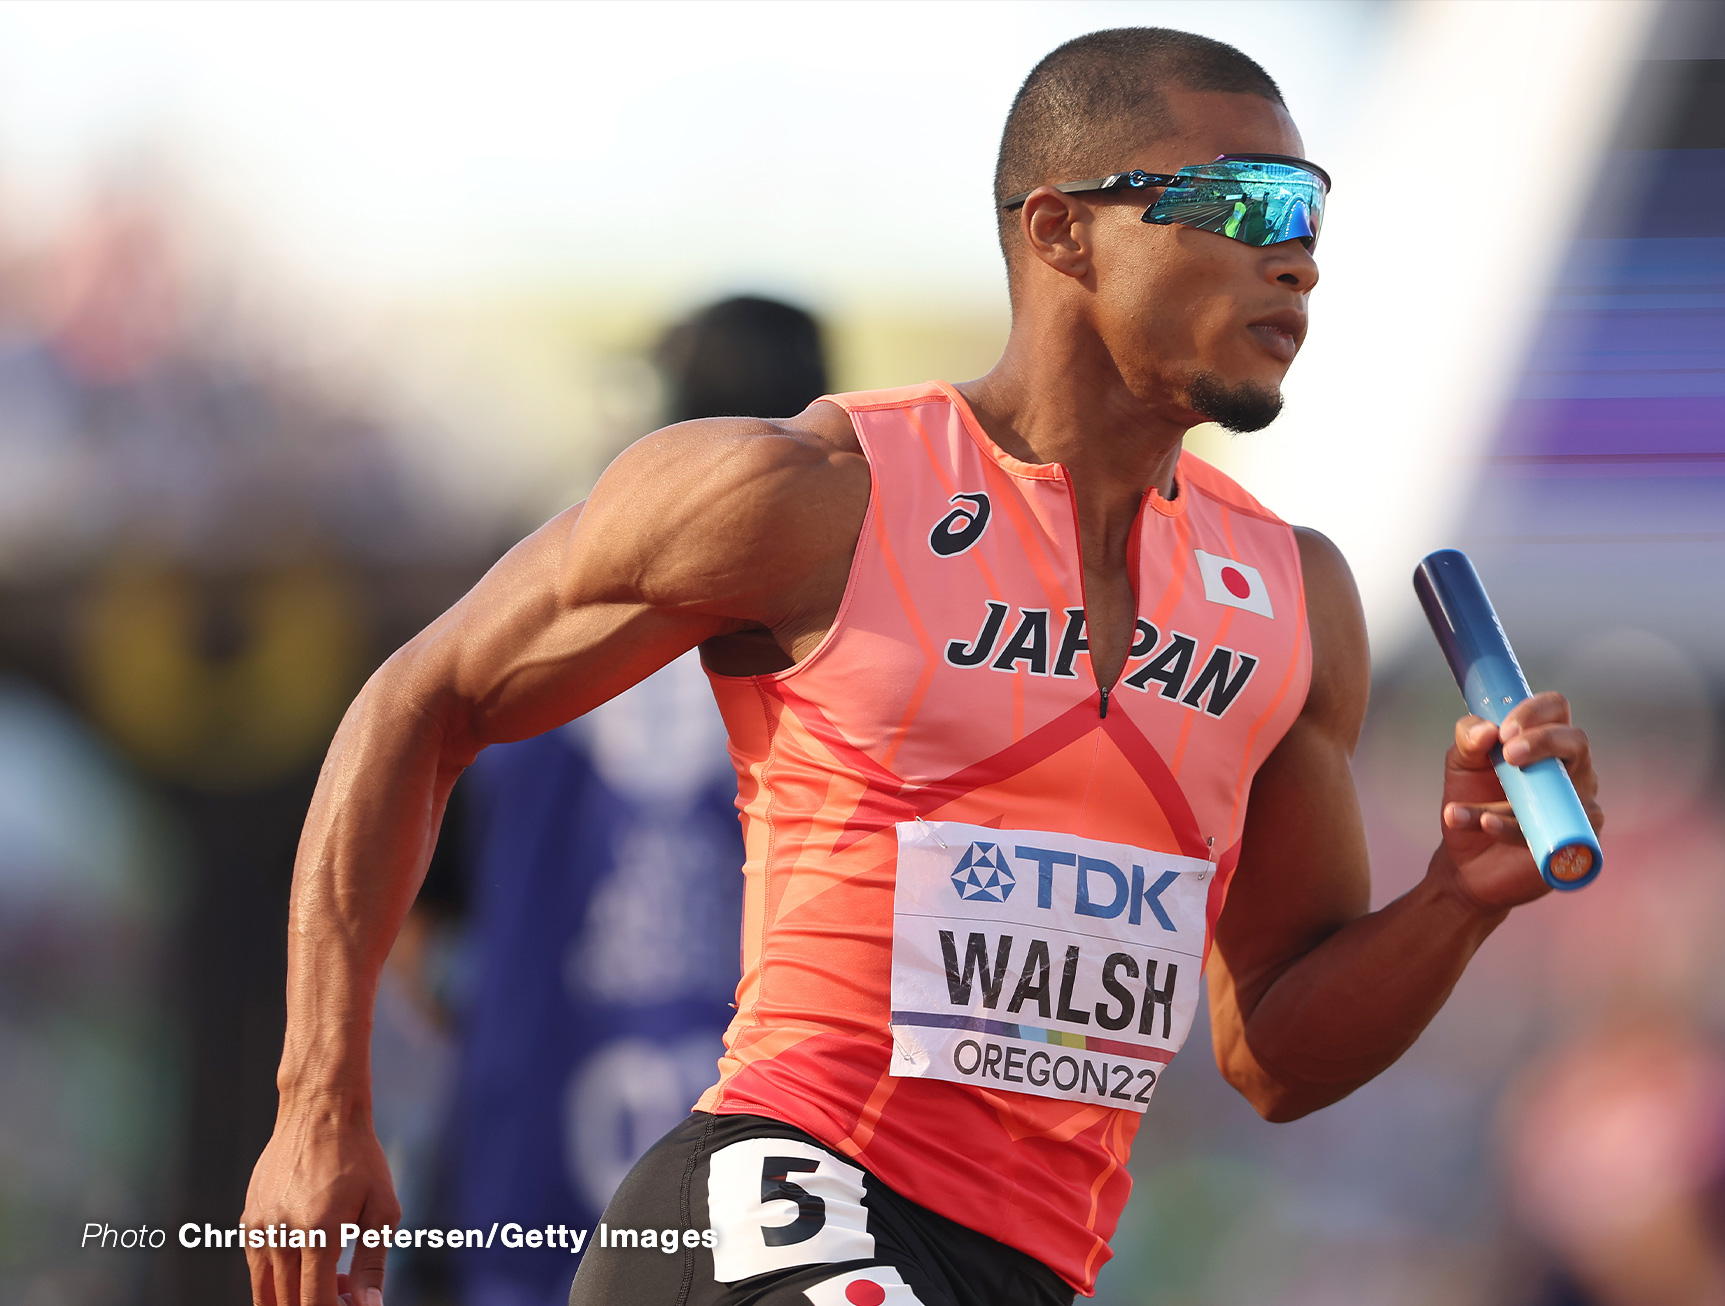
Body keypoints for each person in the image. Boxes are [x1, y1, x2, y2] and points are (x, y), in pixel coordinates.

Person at [243, 27, 1601, 1306]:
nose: (1295, 258)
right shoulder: (813, 495)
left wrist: (1457, 896)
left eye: (1307, 209)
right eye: (1245, 204)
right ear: (1060, 225)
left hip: (1023, 1264)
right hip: (774, 1201)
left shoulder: (1291, 598)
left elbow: (1277, 1053)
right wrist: (320, 1102)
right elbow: (418, 699)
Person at [439, 297, 827, 1306]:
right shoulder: (869, 649)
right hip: (776, 1190)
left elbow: (422, 912)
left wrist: (503, 1017)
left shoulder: (535, 618)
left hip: (526, 1178)